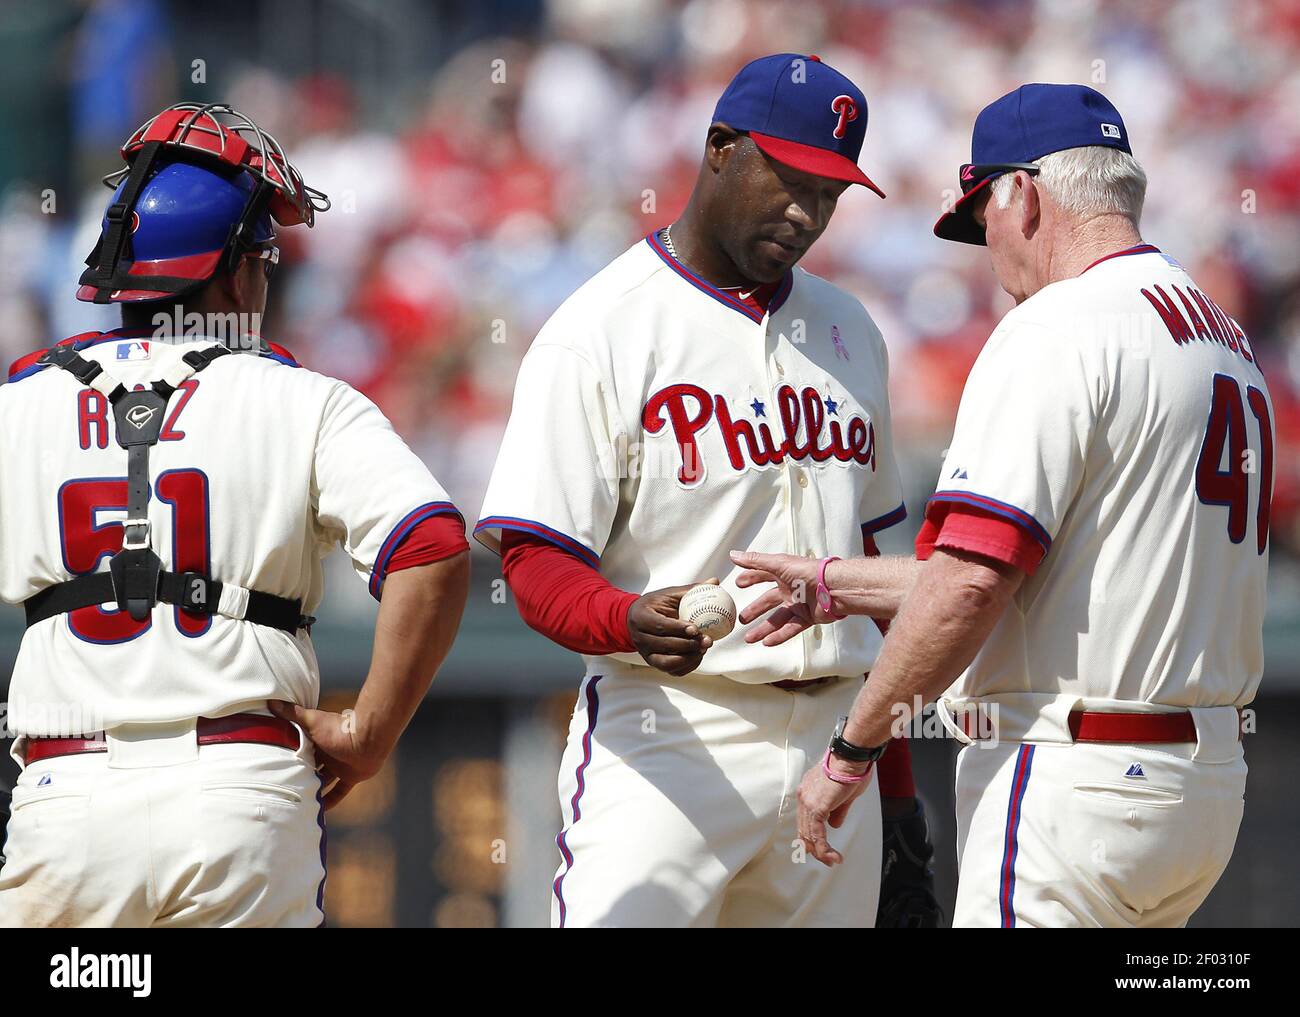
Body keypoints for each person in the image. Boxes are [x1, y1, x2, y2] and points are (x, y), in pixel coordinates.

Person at [734, 84, 1272, 927]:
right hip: (1201, 791)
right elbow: (1055, 573)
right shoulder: (1221, 334)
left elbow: (973, 586)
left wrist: (852, 749)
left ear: (1021, 193)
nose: (985, 247)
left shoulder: (1058, 326)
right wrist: (839, 581)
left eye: (981, 215)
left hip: (1073, 779)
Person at [477, 54, 935, 927]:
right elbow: (535, 561)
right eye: (791, 179)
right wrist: (624, 619)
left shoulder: (851, 331)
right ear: (720, 148)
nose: (807, 213)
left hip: (836, 744)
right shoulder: (601, 329)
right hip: (671, 733)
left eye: (831, 194)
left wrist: (902, 801)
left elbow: (882, 590)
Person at [0, 103, 470, 927]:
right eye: (262, 257)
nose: (264, 278)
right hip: (237, 792)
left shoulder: (20, 401)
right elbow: (432, 547)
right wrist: (369, 731)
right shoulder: (301, 397)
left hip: (64, 793)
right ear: (228, 271)